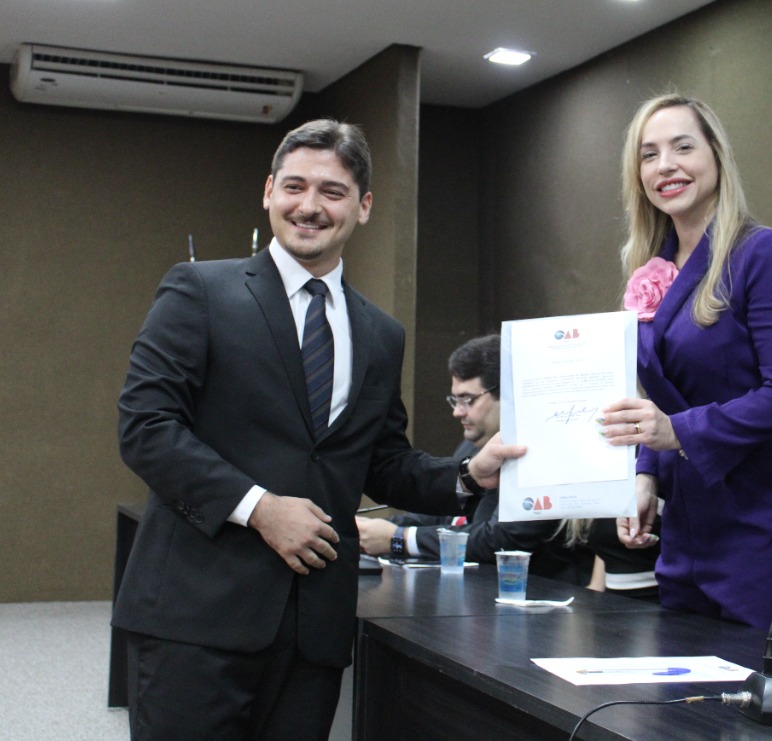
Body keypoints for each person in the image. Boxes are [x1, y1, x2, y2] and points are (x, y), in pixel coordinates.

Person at [114, 118, 522, 741]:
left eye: (332, 192)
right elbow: (145, 426)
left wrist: (467, 474)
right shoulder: (200, 291)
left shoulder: (380, 334)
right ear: (268, 191)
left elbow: (382, 461)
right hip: (195, 619)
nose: (309, 206)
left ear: (363, 206)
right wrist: (260, 509)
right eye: (295, 186)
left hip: (313, 632)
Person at [603, 94, 772, 638]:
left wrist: (675, 433)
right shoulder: (652, 270)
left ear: (717, 156)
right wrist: (644, 474)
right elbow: (662, 400)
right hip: (684, 527)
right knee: (683, 684)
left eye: (683, 147)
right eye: (649, 154)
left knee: (763, 688)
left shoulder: (764, 253)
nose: (666, 166)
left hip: (763, 525)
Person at [356, 334, 590, 583]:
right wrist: (374, 530)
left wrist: (399, 539)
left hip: (539, 592)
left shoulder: (541, 451)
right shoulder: (472, 443)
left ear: (508, 395)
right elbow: (447, 514)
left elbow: (498, 540)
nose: (457, 412)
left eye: (467, 400)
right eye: (454, 400)